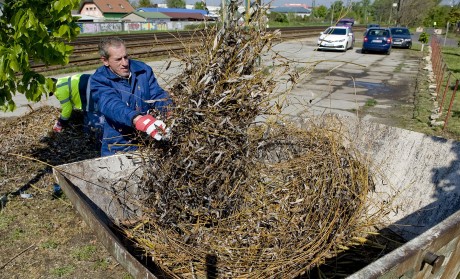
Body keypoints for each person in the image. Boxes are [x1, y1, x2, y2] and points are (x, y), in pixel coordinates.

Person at [90, 37, 173, 157]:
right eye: (118, 59)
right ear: (105, 61)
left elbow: (157, 95)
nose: (124, 63)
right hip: (119, 145)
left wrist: (168, 111)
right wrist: (137, 119)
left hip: (149, 140)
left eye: (126, 57)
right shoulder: (99, 80)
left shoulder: (142, 70)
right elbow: (110, 104)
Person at [52, 74, 104, 138]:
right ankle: (87, 135)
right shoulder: (60, 81)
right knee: (87, 112)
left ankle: (103, 137)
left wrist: (60, 123)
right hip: (86, 83)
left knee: (93, 113)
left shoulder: (59, 90)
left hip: (87, 85)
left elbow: (67, 108)